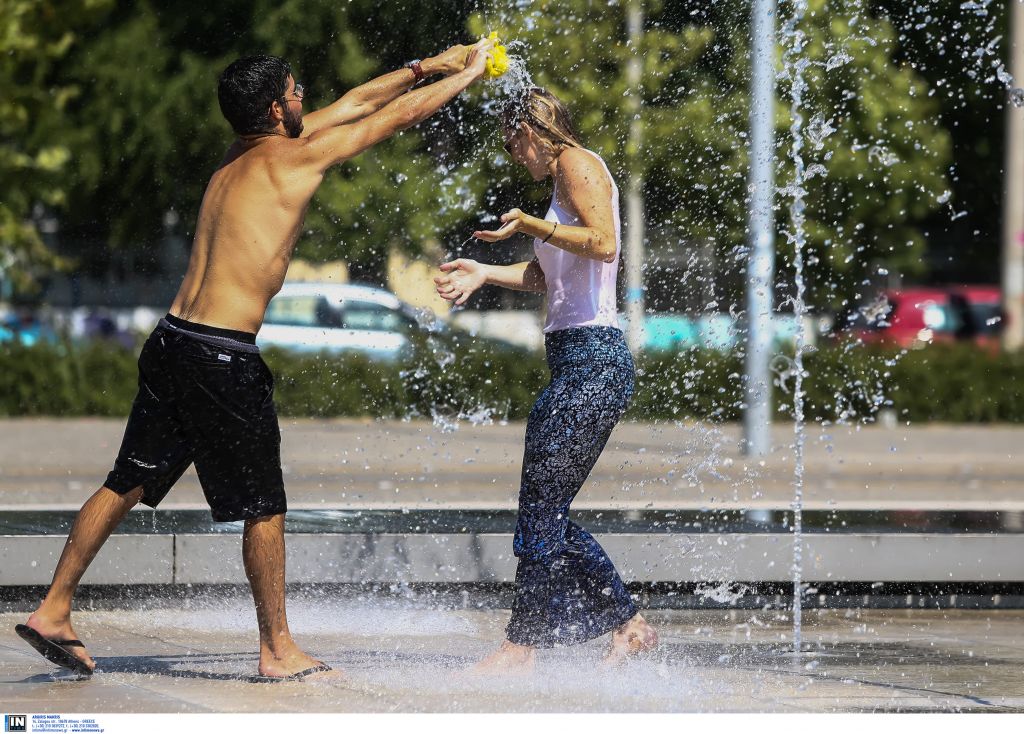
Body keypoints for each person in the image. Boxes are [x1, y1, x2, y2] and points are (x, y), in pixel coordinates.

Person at [16, 39, 495, 683]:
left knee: (125, 480)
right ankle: (277, 651)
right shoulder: (293, 160)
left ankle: (53, 609)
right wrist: (465, 77)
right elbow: (389, 120)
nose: (306, 98)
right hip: (220, 355)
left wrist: (423, 67)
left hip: (173, 340)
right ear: (276, 109)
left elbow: (356, 101)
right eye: (296, 91)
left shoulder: (237, 157)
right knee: (264, 507)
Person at [434, 87, 658, 672]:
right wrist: (484, 272)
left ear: (534, 129)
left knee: (541, 504)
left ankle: (522, 645)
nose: (513, 154)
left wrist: (534, 222)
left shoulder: (578, 163)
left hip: (595, 359)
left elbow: (605, 245)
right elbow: (547, 275)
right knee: (545, 505)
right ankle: (625, 624)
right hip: (573, 360)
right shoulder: (557, 184)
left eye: (514, 142)